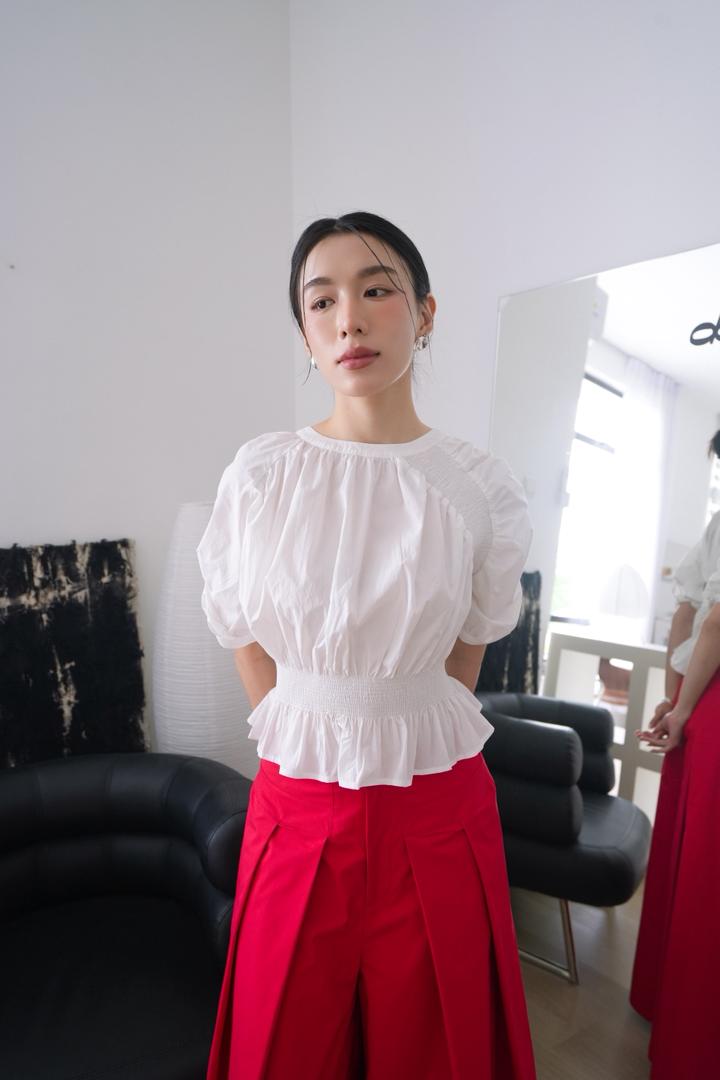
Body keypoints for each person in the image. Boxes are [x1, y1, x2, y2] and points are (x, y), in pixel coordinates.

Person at [196, 211, 537, 1079]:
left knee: (437, 1048)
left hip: (438, 806)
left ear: (425, 313)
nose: (349, 318)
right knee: (283, 1046)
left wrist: (403, 714)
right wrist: (301, 725)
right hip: (296, 801)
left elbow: (470, 645)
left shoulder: (480, 488)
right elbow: (240, 628)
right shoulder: (262, 475)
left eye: (376, 289)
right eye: (322, 301)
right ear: (306, 335)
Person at [630, 430, 720, 1080]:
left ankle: (667, 1006)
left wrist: (676, 697)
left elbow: (690, 612)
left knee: (690, 861)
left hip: (702, 694)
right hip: (708, 698)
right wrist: (682, 705)